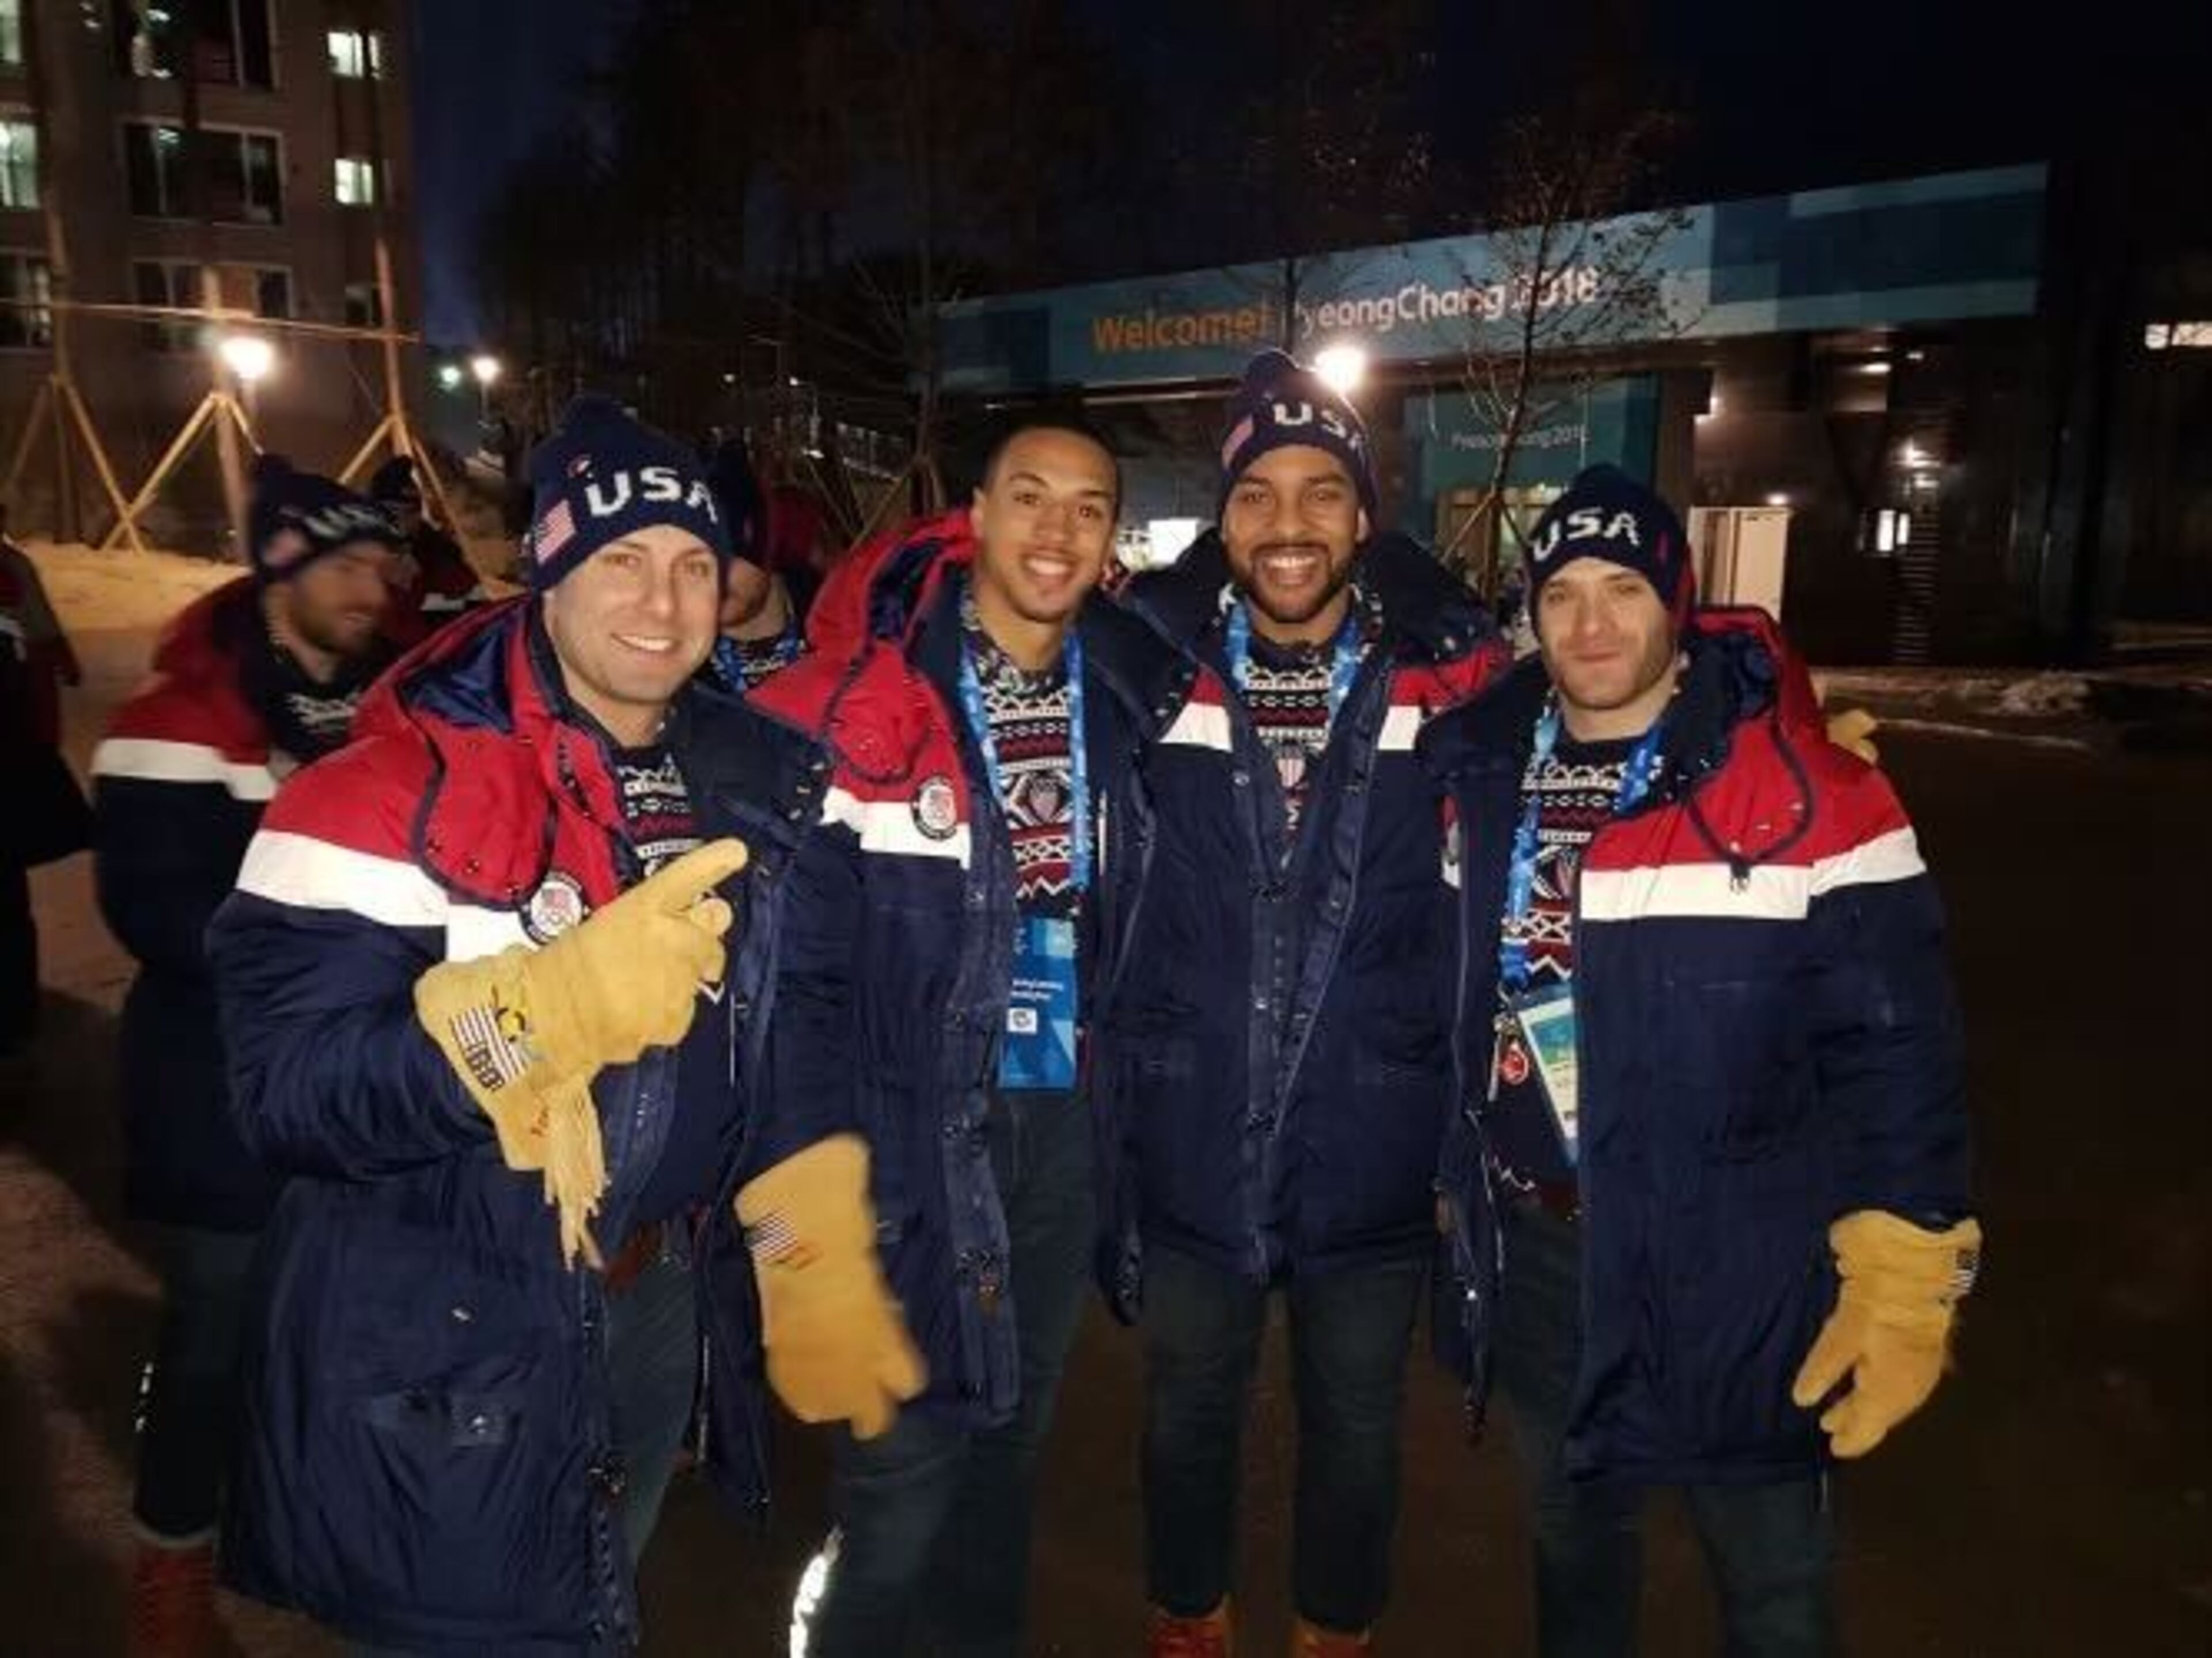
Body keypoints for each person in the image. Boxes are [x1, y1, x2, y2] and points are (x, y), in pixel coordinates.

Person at [203, 397, 919, 1655]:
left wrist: (803, 1243)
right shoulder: (372, 793)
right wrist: (536, 1021)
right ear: (546, 567)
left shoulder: (744, 782)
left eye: (693, 563)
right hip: (454, 1328)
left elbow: (778, 1041)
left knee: (597, 1599)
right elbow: (290, 1094)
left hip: (656, 1296)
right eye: (621, 558)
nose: (663, 600)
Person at [1421, 466, 1981, 1657]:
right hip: (1544, 1250)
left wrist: (1907, 1266)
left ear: (1676, 597)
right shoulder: (1478, 773)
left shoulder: (1813, 789)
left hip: (1742, 1260)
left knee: (1772, 1584)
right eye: (1562, 592)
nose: (1591, 622)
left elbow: (1900, 1050)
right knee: (1574, 1548)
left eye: (1623, 587)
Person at [747, 415, 1180, 1657]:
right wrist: (797, 1221)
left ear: (1112, 538)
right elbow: (791, 987)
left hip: (1062, 1119)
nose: (1057, 530)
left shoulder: (1131, 693)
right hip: (904, 1129)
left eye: (1089, 508)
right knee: (900, 1477)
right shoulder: (871, 698)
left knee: (1009, 1448)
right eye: (1030, 497)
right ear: (975, 516)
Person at [1100, 351, 1505, 1657]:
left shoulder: (1449, 683)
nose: (1288, 523)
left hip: (1372, 1133)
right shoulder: (1145, 674)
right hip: (1190, 1121)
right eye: (1257, 493)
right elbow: (960, 665)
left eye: (1321, 491)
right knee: (1185, 1412)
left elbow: (1607, 740)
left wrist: (1763, 716)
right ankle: (1189, 1616)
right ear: (1222, 520)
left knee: (1357, 1422)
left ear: (1364, 514)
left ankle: (1336, 1630)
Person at [90, 457, 402, 1657]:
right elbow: (153, 910)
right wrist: (335, 952)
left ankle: (313, 1533)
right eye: (346, 562)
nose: (374, 585)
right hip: (219, 1091)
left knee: (346, 1326)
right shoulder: (179, 717)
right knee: (214, 1337)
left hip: (358, 1087)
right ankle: (171, 1554)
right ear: (281, 567)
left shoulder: (391, 702)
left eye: (380, 561)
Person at [0, 506, 86, 1052]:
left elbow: (41, 633)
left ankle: (16, 1021)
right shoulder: (12, 566)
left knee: (8, 905)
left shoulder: (11, 568)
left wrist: (63, 661)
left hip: (12, 756)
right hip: (17, 754)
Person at [700, 438, 808, 692]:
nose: (711, 576)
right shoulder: (673, 668)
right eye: (693, 564)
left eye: (728, 554)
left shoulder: (836, 622)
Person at [369, 453, 486, 645]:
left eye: (411, 512)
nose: (403, 521)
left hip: (448, 640)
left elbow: (470, 599)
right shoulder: (368, 554)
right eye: (393, 512)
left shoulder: (435, 549)